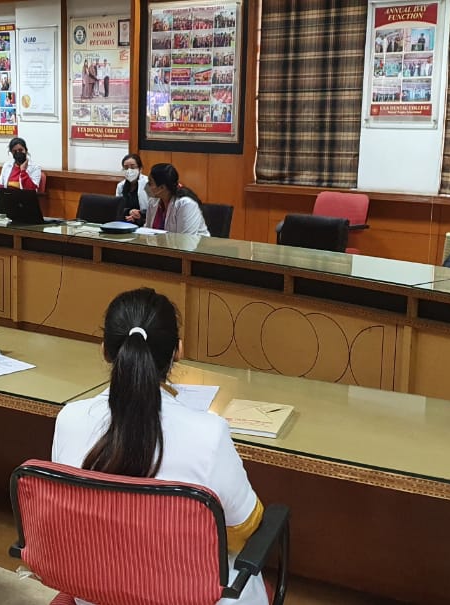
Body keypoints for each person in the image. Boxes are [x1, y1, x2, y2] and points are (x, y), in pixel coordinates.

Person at [52, 288, 268, 605]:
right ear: (177, 351)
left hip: (96, 593)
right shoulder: (209, 434)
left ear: (105, 351)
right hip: (190, 597)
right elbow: (245, 526)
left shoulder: (69, 419)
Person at [126, 163, 210, 236]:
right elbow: (147, 230)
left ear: (162, 187)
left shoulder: (186, 204)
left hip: (195, 247)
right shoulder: (153, 202)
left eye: (150, 183)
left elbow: (186, 239)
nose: (147, 186)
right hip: (163, 246)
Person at [115, 153, 149, 226]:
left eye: (133, 167)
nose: (129, 170)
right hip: (125, 221)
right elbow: (118, 207)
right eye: (126, 168)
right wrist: (129, 212)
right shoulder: (121, 186)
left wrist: (139, 216)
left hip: (144, 221)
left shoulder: (148, 184)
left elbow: (153, 207)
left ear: (140, 169)